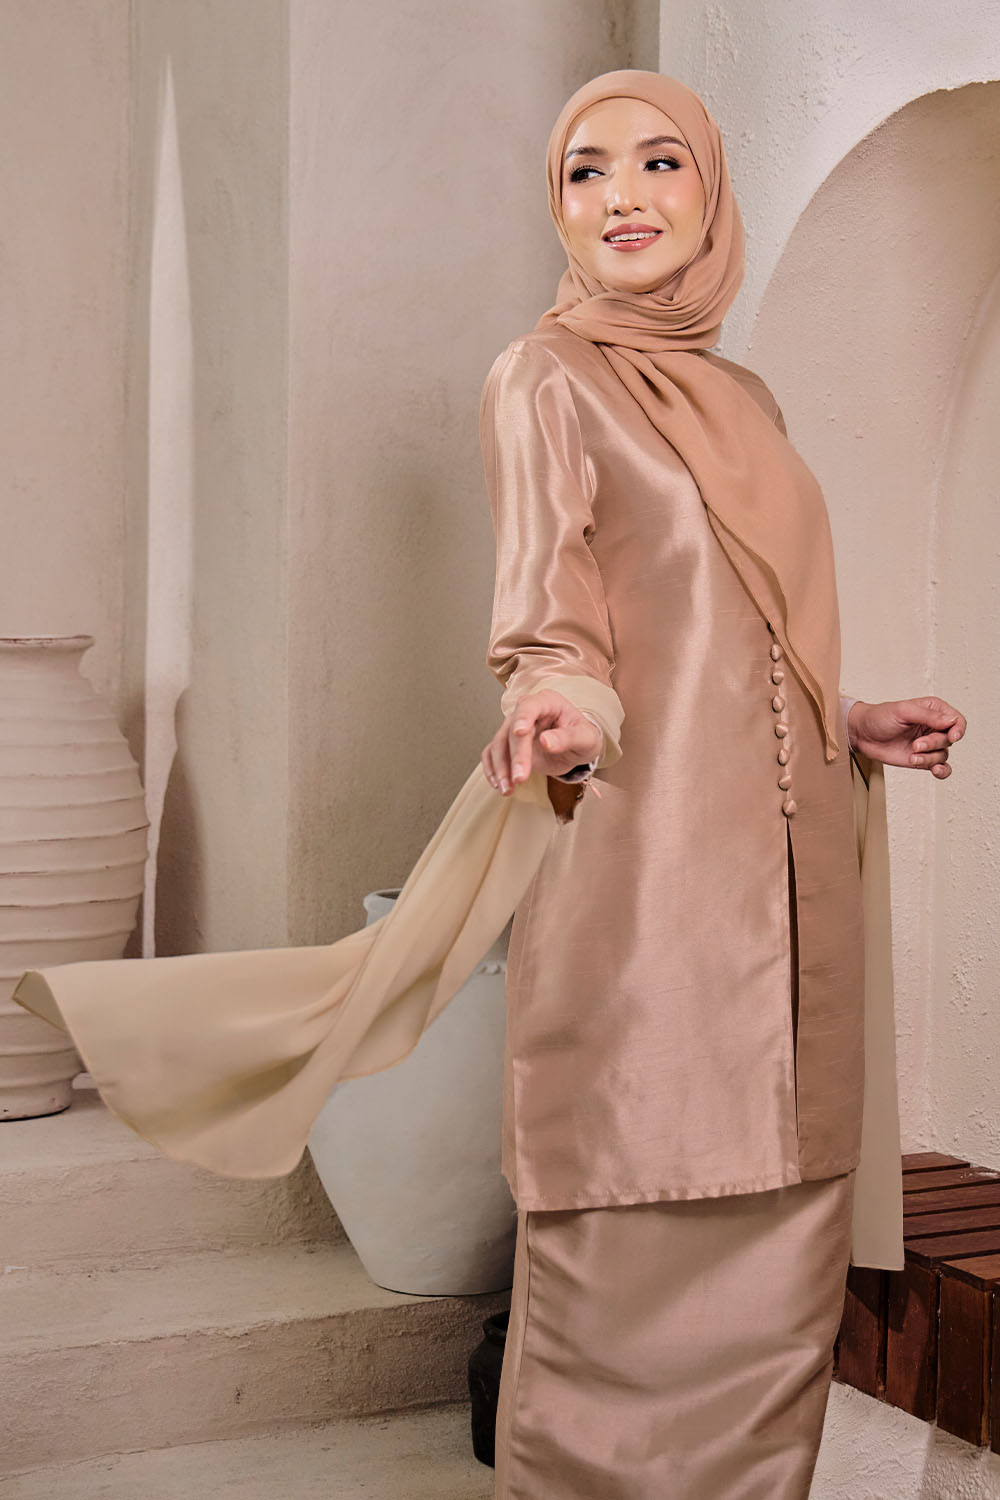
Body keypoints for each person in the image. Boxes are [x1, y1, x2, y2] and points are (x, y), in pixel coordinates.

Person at [475, 69, 967, 1500]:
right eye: (586, 171)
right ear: (559, 207)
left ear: (711, 192)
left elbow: (734, 627)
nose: (622, 196)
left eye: (660, 162)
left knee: (773, 1308)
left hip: (793, 907)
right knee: (621, 1281)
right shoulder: (546, 378)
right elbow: (552, 619)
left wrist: (848, 717)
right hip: (647, 897)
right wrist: (556, 704)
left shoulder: (745, 397)